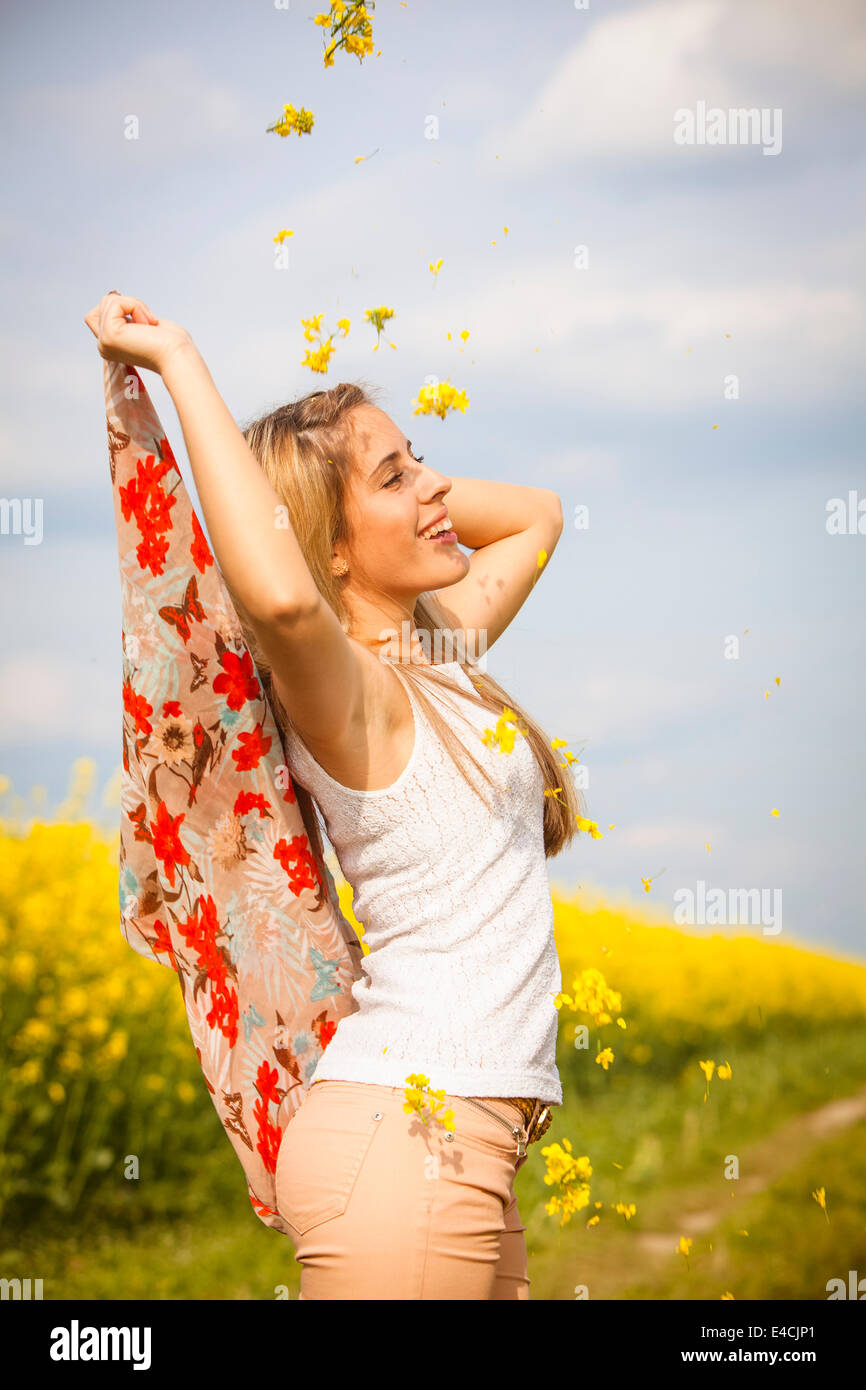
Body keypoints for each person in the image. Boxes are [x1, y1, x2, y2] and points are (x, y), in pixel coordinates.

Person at [84, 292, 584, 1300]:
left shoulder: (440, 654)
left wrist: (405, 495)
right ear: (330, 547)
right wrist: (180, 360)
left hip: (457, 1144)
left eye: (422, 456)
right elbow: (275, 594)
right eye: (397, 474)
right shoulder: (353, 698)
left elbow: (536, 516)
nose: (437, 484)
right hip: (406, 1143)